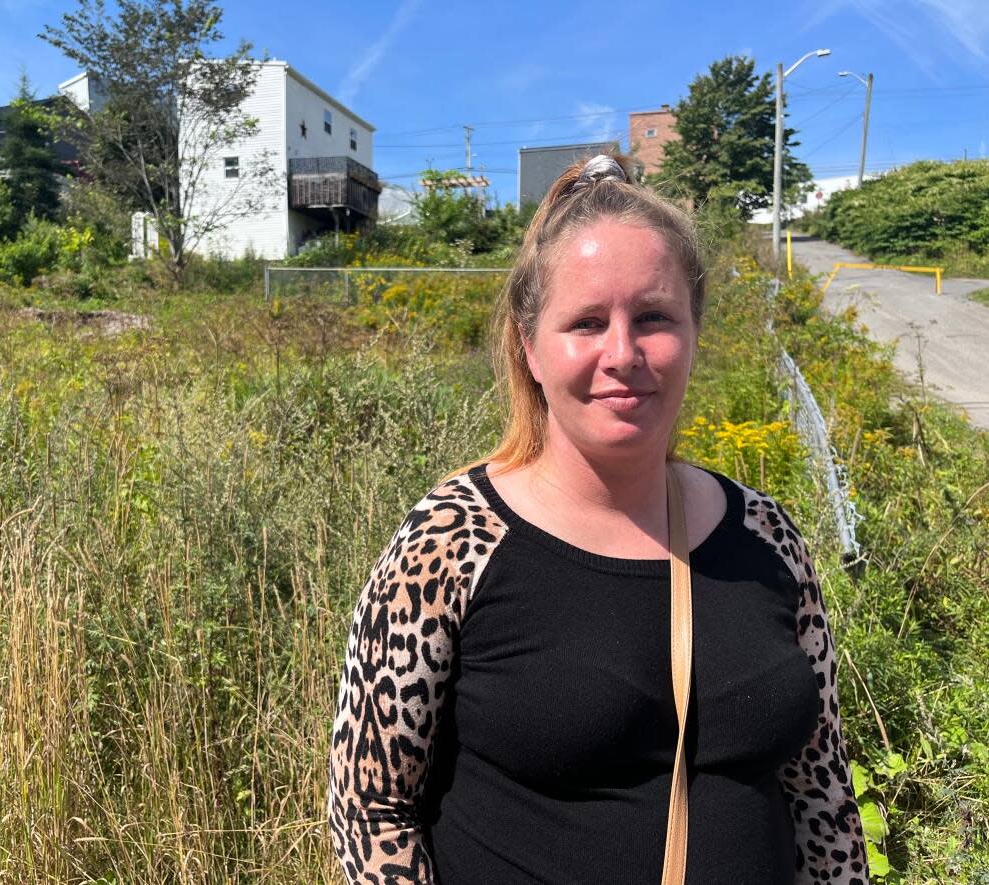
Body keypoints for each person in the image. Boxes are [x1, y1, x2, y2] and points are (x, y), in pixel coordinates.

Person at [327, 155, 869, 884]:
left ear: (695, 332)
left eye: (653, 317)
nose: (623, 354)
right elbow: (370, 809)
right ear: (531, 347)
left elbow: (823, 794)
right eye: (586, 323)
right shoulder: (451, 541)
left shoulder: (767, 537)